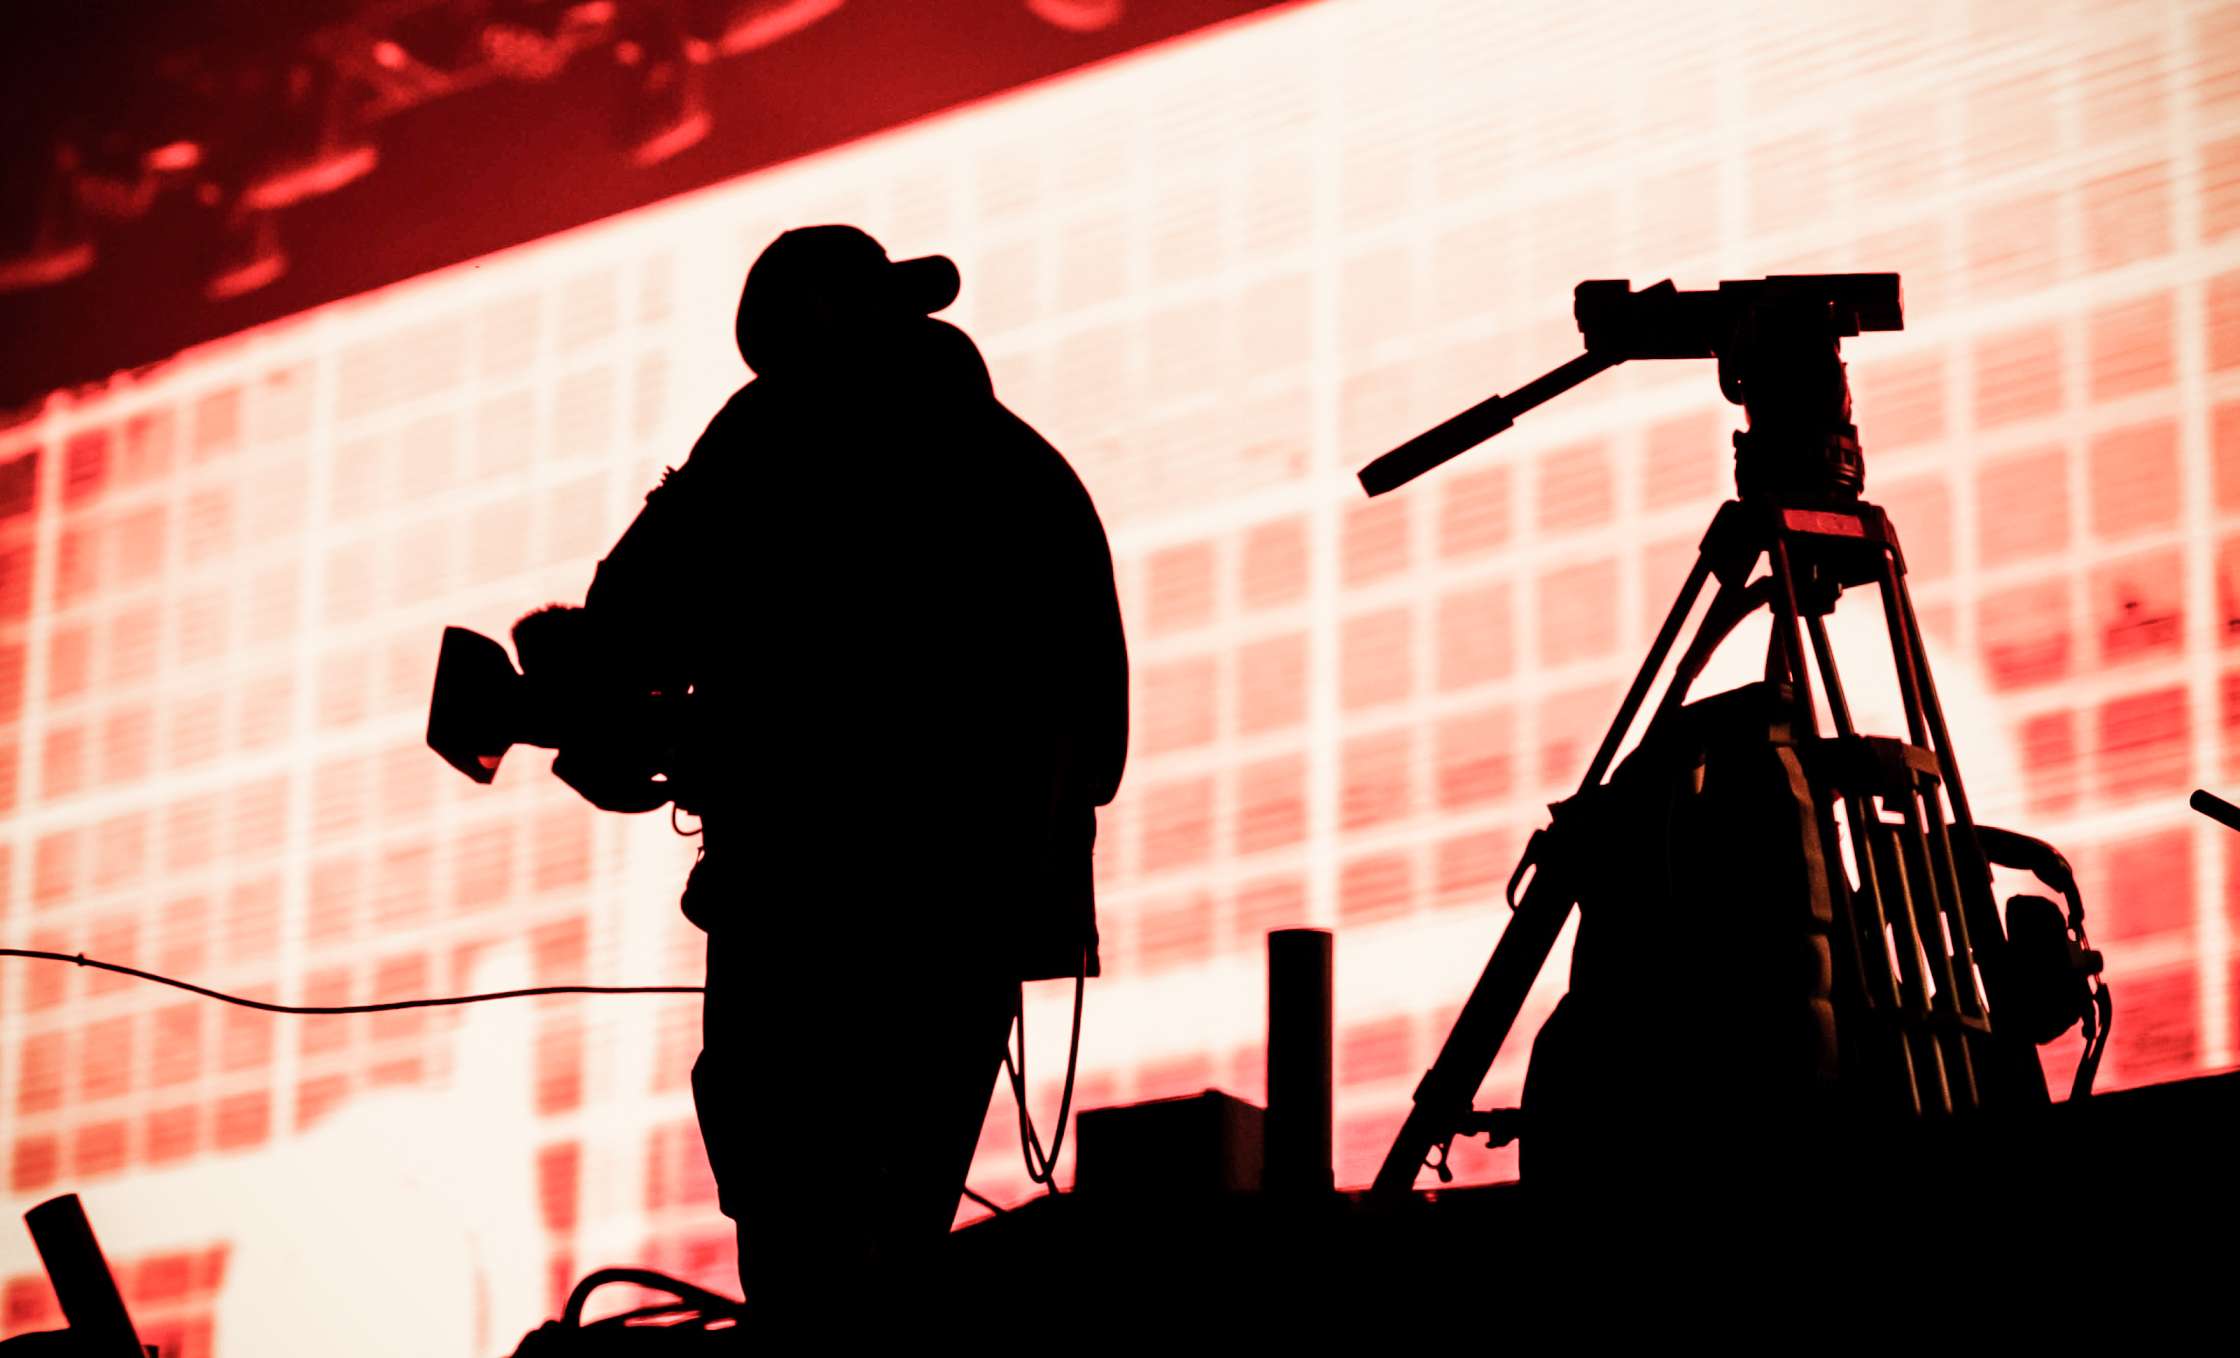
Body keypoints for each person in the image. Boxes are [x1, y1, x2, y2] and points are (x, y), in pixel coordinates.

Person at [572, 225, 1128, 1317]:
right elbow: (1096, 742)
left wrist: (620, 710)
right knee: (895, 1241)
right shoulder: (1025, 467)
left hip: (800, 906)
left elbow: (627, 625)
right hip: (975, 919)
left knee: (797, 1233)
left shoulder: (772, 430)